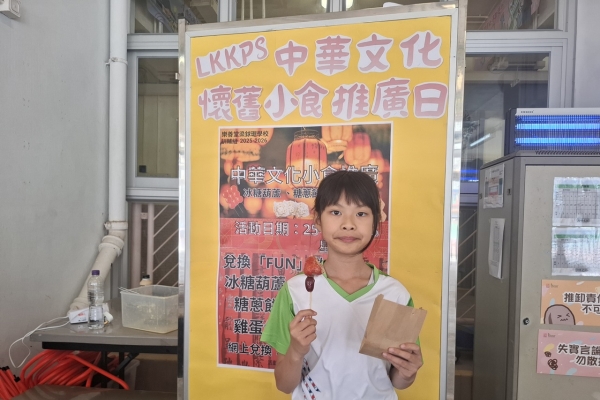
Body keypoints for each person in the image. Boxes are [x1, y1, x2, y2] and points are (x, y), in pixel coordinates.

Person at [261, 170, 423, 399]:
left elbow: (398, 379)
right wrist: (296, 351)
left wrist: (408, 372)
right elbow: (284, 385)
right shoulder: (296, 291)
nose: (348, 224)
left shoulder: (395, 294)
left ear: (376, 221)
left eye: (361, 213)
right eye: (336, 212)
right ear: (318, 219)